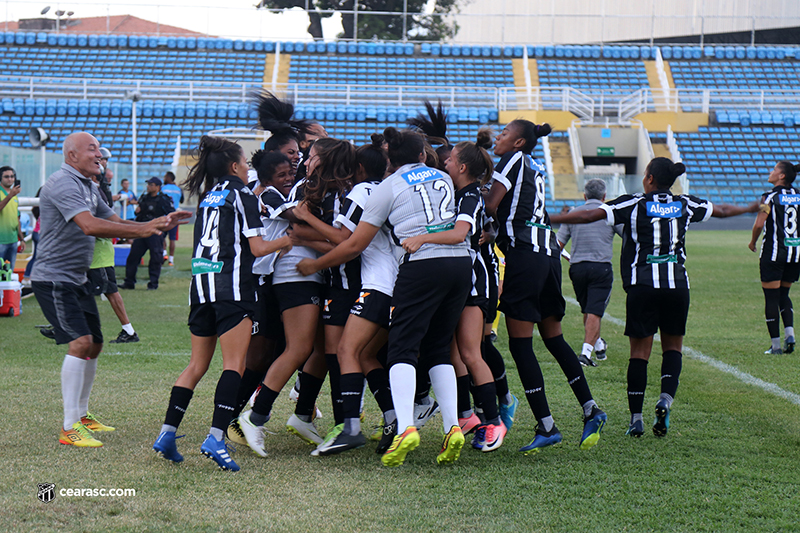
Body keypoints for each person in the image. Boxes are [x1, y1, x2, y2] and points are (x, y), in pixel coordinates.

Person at [296, 127, 473, 467]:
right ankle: (452, 427)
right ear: (423, 155)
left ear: (390, 158)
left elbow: (353, 244)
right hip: (459, 263)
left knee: (401, 349)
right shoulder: (442, 177)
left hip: (420, 266)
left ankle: (405, 427)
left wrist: (314, 264)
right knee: (437, 349)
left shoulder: (386, 187)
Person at [550, 157, 757, 438]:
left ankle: (636, 418)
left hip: (642, 286)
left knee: (639, 353)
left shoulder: (634, 203)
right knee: (673, 348)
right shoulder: (686, 203)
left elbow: (590, 215)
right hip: (676, 286)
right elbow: (721, 209)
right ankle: (665, 400)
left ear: (649, 179)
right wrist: (750, 207)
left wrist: (551, 217)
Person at [31, 131, 185, 448]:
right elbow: (89, 225)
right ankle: (69, 426)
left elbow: (113, 219)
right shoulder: (63, 183)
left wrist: (157, 223)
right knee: (80, 342)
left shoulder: (90, 186)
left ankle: (82, 415)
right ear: (72, 155)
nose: (99, 155)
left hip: (78, 276)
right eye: (92, 150)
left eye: (100, 151)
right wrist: (143, 228)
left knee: (96, 344)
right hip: (55, 277)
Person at [152, 136, 291, 471]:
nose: (248, 168)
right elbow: (257, 249)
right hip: (231, 290)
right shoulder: (242, 194)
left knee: (196, 365)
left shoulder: (207, 196)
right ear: (234, 166)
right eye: (245, 163)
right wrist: (288, 241)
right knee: (234, 365)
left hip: (201, 288)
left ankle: (167, 434)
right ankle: (215, 438)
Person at [483, 120, 607, 455]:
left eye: (505, 134)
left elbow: (492, 205)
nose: (498, 137)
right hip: (548, 255)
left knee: (521, 345)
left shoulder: (512, 160)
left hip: (525, 256)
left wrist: (481, 225)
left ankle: (547, 425)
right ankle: (590, 408)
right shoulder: (534, 165)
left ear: (519, 141)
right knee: (553, 338)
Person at [401, 134, 508, 453]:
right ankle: (467, 418)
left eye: (448, 160)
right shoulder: (460, 192)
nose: (443, 162)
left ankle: (494, 421)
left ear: (461, 166)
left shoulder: (472, 195)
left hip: (473, 281)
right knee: (452, 353)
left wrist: (421, 238)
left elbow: (461, 233)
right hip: (461, 279)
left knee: (471, 353)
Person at [557, 178, 623, 366]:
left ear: (584, 196)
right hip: (600, 266)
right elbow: (628, 235)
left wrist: (569, 258)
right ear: (604, 196)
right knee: (594, 310)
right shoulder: (608, 213)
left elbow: (558, 244)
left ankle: (599, 344)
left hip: (577, 268)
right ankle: (586, 353)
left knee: (588, 308)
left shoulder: (573, 213)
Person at [748, 161, 800, 354]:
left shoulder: (769, 197)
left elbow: (759, 224)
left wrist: (753, 241)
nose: (770, 172)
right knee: (784, 295)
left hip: (773, 253)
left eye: (774, 170)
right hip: (795, 254)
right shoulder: (798, 195)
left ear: (782, 176)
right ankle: (790, 335)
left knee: (771, 297)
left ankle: (776, 346)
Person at [87, 155, 140, 344]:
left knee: (109, 292)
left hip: (98, 253)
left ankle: (129, 330)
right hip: (91, 252)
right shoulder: (96, 191)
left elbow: (106, 222)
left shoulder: (97, 193)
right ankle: (65, 326)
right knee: (76, 288)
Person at [121, 177, 174, 290]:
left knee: (155, 258)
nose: (148, 186)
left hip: (155, 232)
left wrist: (164, 229)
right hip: (143, 230)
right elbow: (139, 212)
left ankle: (153, 284)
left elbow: (171, 214)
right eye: (148, 184)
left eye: (151, 184)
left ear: (157, 187)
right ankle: (129, 282)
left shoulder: (163, 199)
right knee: (133, 257)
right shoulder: (144, 198)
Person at [0, 165, 25, 269]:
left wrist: (22, 239)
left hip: (13, 240)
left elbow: (17, 219)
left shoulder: (14, 196)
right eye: (6, 176)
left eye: (12, 176)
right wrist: (10, 195)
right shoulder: (8, 194)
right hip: (1, 240)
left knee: (9, 273)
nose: (10, 179)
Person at [161, 171, 184, 266]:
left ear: (168, 178)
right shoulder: (178, 189)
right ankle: (171, 260)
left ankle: (164, 254)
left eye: (165, 177)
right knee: (172, 238)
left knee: (161, 236)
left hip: (164, 215)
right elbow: (181, 200)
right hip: (175, 215)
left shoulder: (163, 188)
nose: (164, 178)